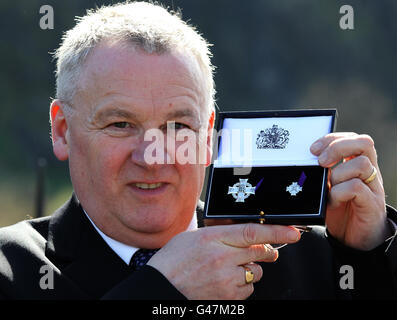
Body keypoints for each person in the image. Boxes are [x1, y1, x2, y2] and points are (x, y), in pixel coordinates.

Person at [0, 1, 396, 300]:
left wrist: (369, 253)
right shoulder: (11, 271)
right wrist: (159, 290)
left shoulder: (304, 255)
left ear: (209, 136)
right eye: (121, 124)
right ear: (62, 131)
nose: (153, 156)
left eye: (178, 127)